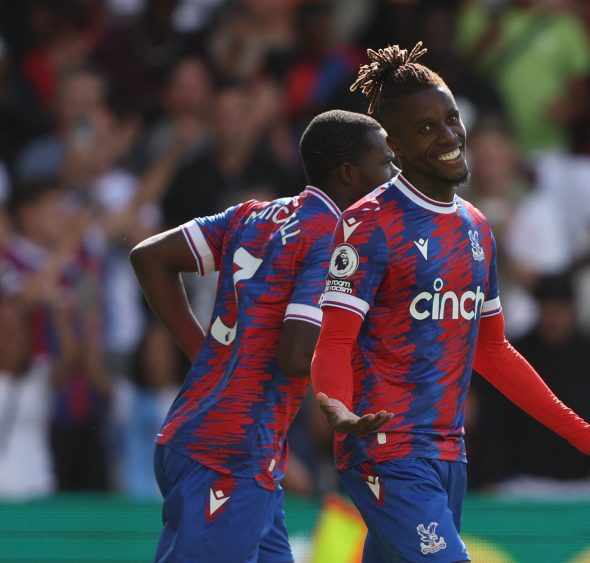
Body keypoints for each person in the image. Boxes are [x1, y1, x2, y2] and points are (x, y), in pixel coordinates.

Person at [310, 43, 590, 562]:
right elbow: (335, 338)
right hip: (385, 451)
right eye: (426, 128)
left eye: (450, 119)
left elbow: (493, 351)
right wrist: (338, 408)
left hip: (447, 453)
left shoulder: (475, 228)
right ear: (393, 144)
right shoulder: (369, 224)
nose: (448, 136)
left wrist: (586, 435)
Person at [130, 109, 396, 563]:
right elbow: (295, 355)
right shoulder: (333, 241)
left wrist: (204, 354)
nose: (395, 176)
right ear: (350, 173)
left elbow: (149, 257)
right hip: (229, 452)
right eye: (386, 163)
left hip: (218, 440)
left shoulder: (254, 214)